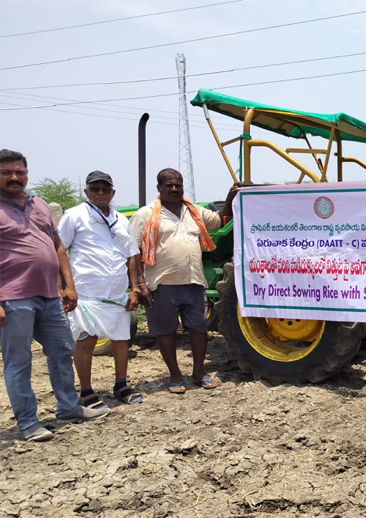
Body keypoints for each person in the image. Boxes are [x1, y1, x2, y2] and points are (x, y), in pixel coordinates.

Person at [0, 149, 110, 442]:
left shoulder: (39, 204)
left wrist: (69, 285)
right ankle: (27, 422)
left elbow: (58, 246)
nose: (14, 177)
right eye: (7, 172)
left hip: (50, 294)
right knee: (19, 361)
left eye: (20, 172)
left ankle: (68, 408)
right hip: (12, 297)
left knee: (62, 352)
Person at [130, 168, 236, 394]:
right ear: (159, 188)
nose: (174, 189)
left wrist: (230, 198)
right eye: (169, 185)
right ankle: (175, 375)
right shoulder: (145, 214)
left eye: (178, 185)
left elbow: (219, 220)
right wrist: (140, 285)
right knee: (166, 331)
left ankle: (198, 372)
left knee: (199, 329)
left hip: (194, 281)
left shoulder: (193, 211)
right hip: (161, 284)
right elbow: (133, 252)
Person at [59, 170, 149, 409]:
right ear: (86, 191)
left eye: (105, 189)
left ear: (112, 192)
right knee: (86, 341)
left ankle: (121, 385)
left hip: (117, 294)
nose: (101, 193)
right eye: (95, 189)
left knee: (121, 340)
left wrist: (134, 288)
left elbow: (132, 256)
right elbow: (59, 251)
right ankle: (86, 392)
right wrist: (65, 287)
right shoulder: (74, 216)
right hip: (86, 293)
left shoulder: (120, 219)